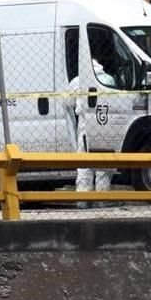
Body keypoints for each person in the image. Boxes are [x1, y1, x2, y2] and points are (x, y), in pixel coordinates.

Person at [65, 59, 116, 208]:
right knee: (103, 164)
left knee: (84, 164)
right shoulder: (108, 79)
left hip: (85, 125)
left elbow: (68, 103)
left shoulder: (78, 81)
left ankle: (82, 199)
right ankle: (102, 198)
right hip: (105, 124)